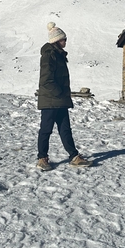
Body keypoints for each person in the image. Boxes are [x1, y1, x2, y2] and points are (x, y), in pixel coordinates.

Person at [36, 22, 92, 171]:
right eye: (63, 39)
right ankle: (42, 158)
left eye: (65, 39)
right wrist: (59, 93)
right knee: (46, 129)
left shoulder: (59, 55)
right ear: (56, 40)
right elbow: (46, 80)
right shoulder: (49, 55)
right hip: (50, 100)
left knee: (65, 129)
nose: (65, 42)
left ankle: (74, 156)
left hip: (59, 99)